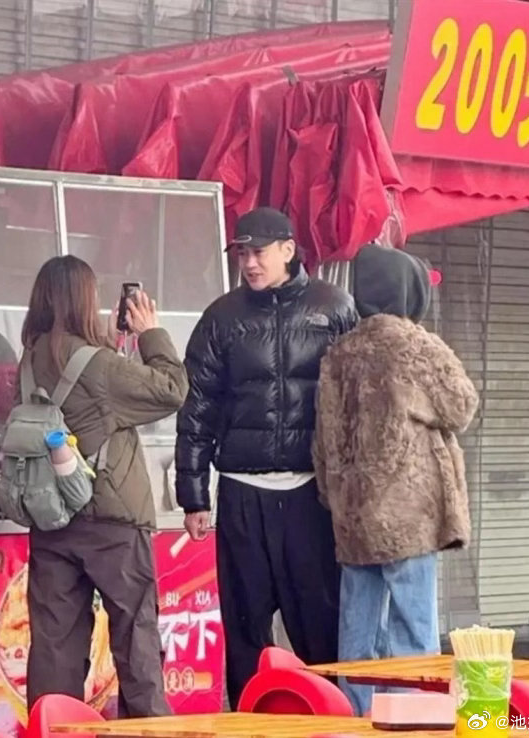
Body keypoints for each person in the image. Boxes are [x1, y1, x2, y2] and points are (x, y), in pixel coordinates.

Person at [175, 207, 358, 709]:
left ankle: (332, 722)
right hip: (242, 493)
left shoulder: (335, 308)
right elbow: (197, 408)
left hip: (311, 496)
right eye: (242, 254)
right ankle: (250, 721)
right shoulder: (222, 318)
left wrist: (353, 492)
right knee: (245, 631)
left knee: (321, 628)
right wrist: (193, 496)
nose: (250, 263)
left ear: (288, 250)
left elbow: (356, 402)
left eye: (258, 252)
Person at [312, 244, 479, 716]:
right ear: (408, 291)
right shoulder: (413, 346)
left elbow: (323, 438)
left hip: (353, 517)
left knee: (358, 632)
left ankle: (356, 717)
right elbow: (461, 406)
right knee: (413, 631)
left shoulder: (338, 353)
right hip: (408, 516)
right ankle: (412, 719)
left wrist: (335, 498)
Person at [21, 255, 188, 717]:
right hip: (113, 523)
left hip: (52, 518)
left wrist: (112, 346)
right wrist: (150, 333)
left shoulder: (30, 360)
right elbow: (172, 389)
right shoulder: (98, 365)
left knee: (54, 646)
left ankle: (52, 726)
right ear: (84, 300)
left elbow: (81, 400)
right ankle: (146, 730)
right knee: (136, 641)